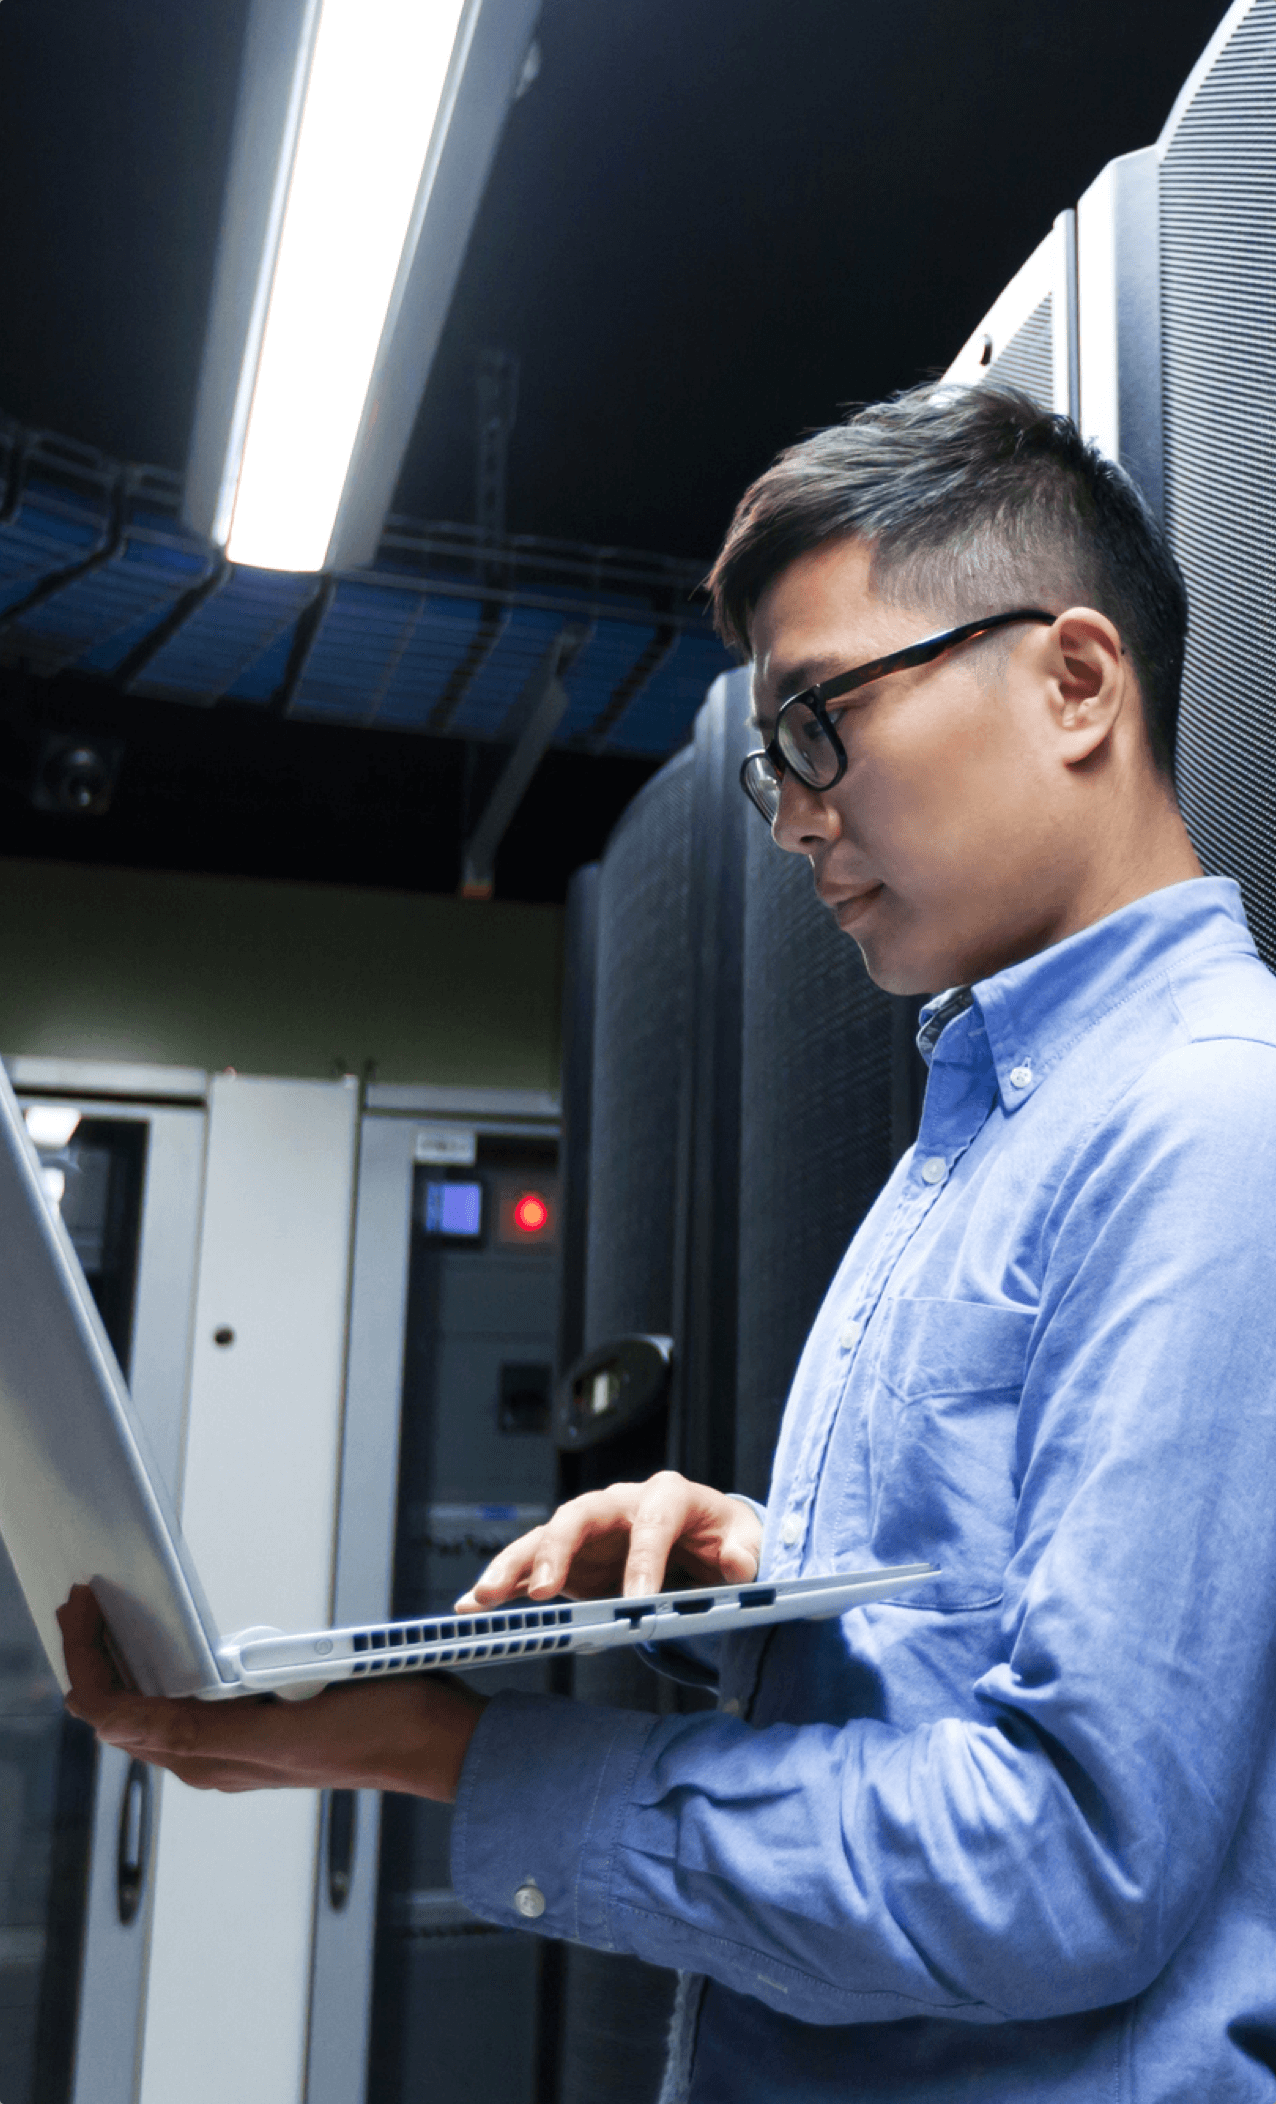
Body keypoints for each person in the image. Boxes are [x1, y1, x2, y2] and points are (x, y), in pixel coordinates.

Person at [62, 381, 1276, 2102]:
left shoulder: (1216, 1120)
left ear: (1075, 683)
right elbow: (983, 1654)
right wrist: (756, 1584)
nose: (791, 814)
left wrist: (463, 1758)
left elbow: (1070, 1857)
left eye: (820, 723)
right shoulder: (993, 1121)